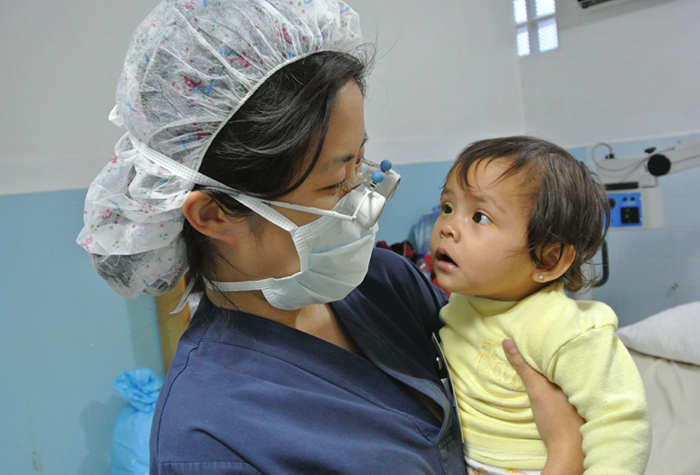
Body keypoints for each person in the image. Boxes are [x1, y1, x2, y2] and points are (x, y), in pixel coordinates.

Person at [78, 1, 587, 473]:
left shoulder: (386, 283)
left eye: (359, 165)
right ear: (213, 215)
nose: (360, 200)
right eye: (331, 183)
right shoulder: (210, 435)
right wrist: (564, 453)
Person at [431, 136, 651, 474]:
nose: (448, 227)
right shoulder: (461, 304)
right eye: (447, 207)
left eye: (480, 217)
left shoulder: (565, 330)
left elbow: (619, 423)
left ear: (548, 259)